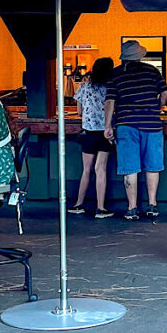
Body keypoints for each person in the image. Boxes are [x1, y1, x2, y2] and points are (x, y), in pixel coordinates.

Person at [104, 40, 167, 220]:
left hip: (126, 125)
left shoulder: (116, 74)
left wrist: (107, 126)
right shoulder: (152, 71)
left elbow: (110, 101)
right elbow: (165, 93)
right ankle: (152, 205)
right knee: (152, 166)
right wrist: (158, 107)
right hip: (152, 124)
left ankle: (132, 208)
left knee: (130, 168)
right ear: (140, 56)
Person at [69, 57, 115, 218]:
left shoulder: (85, 86)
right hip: (105, 132)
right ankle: (101, 208)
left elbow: (79, 111)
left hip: (88, 132)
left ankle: (78, 204)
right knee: (100, 169)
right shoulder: (111, 88)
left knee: (86, 170)